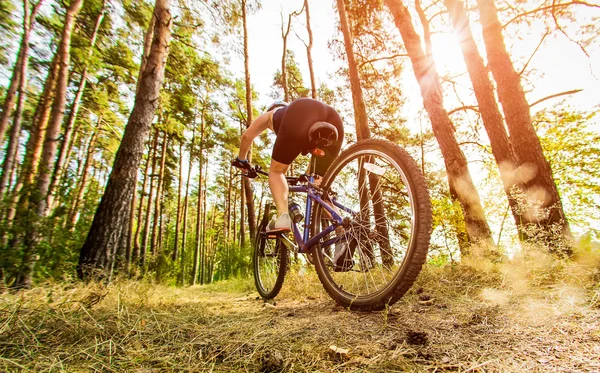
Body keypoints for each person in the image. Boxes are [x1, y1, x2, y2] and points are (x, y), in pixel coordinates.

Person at [232, 98, 344, 232]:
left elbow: (246, 137)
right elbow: (311, 171)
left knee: (277, 171)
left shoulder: (271, 114)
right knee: (317, 187)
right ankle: (343, 230)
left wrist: (242, 160)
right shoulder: (302, 114)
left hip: (301, 111)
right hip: (336, 121)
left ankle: (283, 217)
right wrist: (306, 175)